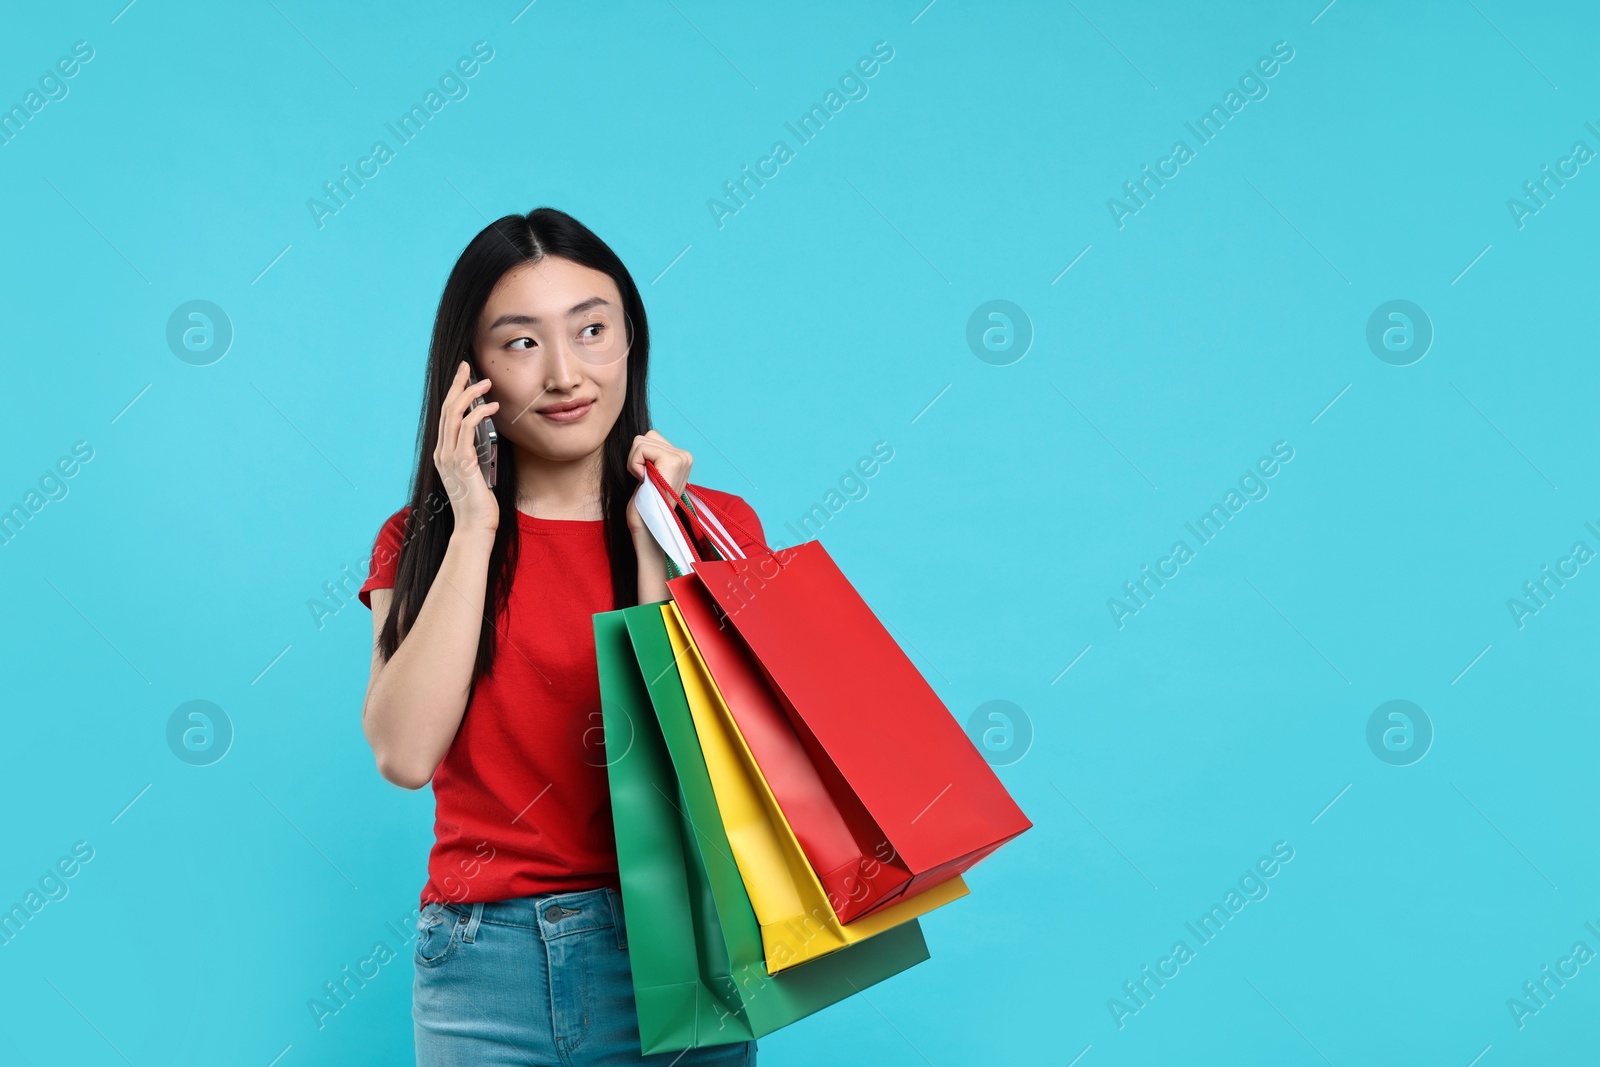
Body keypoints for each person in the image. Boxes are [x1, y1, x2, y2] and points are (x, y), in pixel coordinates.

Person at [358, 207, 763, 1065]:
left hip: (686, 943)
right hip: (486, 964)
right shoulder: (421, 538)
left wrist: (659, 540)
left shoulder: (716, 528)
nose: (567, 371)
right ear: (471, 372)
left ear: (629, 341)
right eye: (523, 342)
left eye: (591, 329)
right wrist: (472, 523)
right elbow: (402, 752)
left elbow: (698, 760)